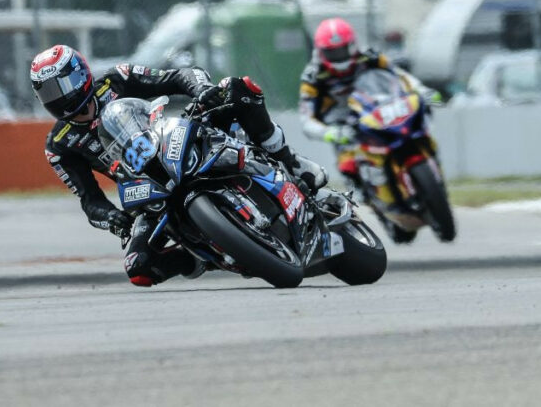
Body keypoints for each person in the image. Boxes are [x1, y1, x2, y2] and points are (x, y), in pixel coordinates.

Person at [31, 44, 326, 287]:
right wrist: (113, 220)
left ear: (80, 74)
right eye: (48, 93)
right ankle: (198, 257)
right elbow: (89, 200)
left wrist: (201, 90)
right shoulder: (58, 145)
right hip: (145, 189)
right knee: (139, 268)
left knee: (238, 89)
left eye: (62, 86)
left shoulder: (116, 79)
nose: (59, 98)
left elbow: (177, 76)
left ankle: (291, 162)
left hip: (174, 137)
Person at [298, 17, 440, 241]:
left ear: (352, 45)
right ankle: (373, 199)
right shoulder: (313, 76)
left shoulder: (371, 56)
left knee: (414, 127)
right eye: (333, 53)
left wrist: (421, 90)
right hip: (344, 126)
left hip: (379, 110)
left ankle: (423, 175)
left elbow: (400, 76)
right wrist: (329, 132)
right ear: (322, 52)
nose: (340, 57)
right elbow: (306, 119)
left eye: (343, 50)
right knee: (350, 167)